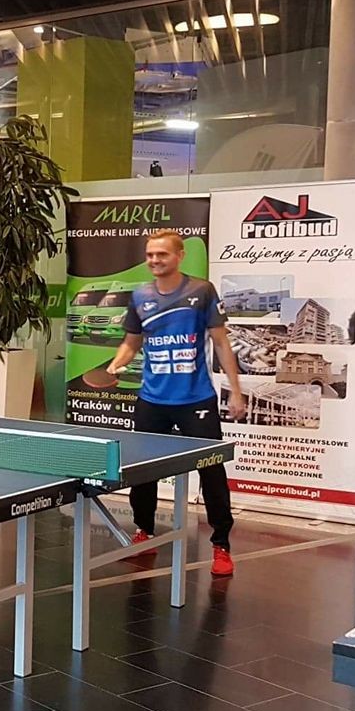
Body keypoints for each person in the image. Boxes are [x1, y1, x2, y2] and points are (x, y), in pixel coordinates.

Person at [106, 230, 247, 576]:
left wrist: (236, 390)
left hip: (195, 399)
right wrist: (117, 363)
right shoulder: (140, 295)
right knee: (142, 472)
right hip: (152, 399)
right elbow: (132, 342)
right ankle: (144, 532)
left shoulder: (202, 291)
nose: (155, 260)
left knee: (212, 471)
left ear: (179, 256)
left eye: (162, 254)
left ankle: (221, 545)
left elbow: (221, 343)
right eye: (150, 255)